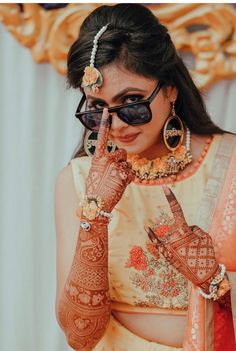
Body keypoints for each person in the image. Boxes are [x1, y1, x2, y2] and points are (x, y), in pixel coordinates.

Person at [54, 4, 236, 351]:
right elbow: (80, 336)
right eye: (97, 110)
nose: (117, 125)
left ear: (170, 90)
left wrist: (214, 279)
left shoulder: (230, 165)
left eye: (132, 102)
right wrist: (95, 216)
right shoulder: (77, 182)